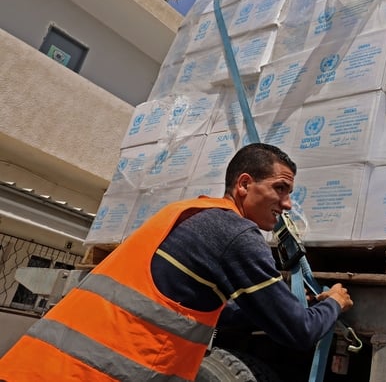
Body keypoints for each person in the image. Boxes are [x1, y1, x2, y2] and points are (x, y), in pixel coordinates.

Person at [0, 143, 353, 381]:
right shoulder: (235, 235)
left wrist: (290, 304)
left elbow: (197, 311)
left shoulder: (186, 214)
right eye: (281, 188)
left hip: (33, 367)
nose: (288, 203)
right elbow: (299, 333)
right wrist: (333, 304)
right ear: (244, 184)